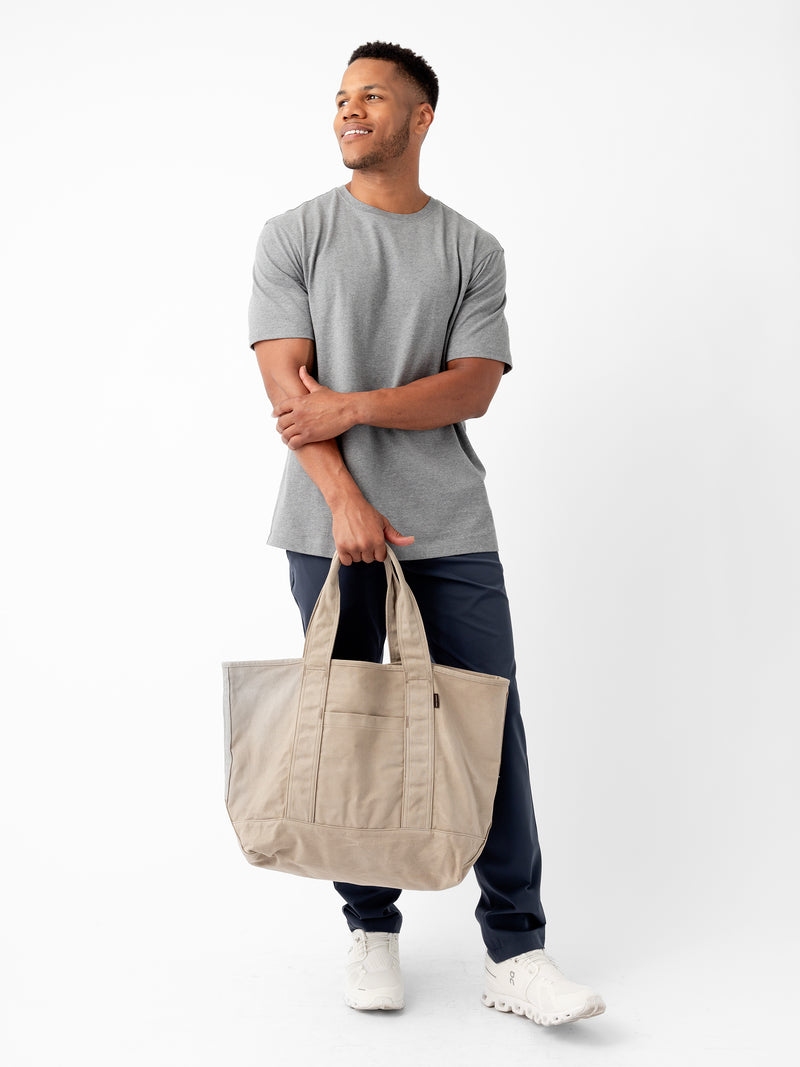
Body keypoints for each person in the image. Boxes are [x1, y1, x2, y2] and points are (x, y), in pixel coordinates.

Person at [247, 40, 605, 1025]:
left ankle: (517, 951)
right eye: (339, 97)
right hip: (327, 527)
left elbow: (472, 388)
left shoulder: (470, 249)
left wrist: (355, 406)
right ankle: (371, 928)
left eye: (371, 96)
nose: (349, 110)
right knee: (352, 715)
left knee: (489, 722)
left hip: (449, 522)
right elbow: (288, 394)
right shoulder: (294, 234)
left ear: (420, 118)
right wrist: (346, 499)